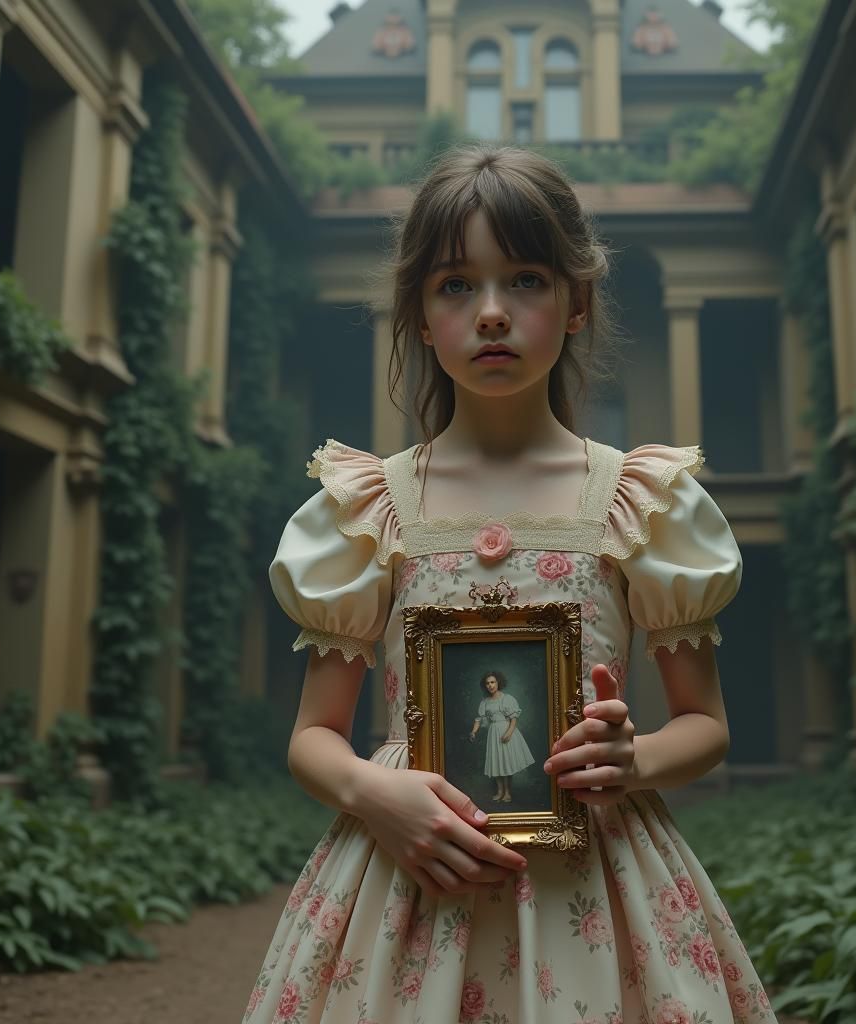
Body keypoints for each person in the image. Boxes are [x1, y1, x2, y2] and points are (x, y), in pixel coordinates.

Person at [243, 146, 778, 1024]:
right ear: (418, 315)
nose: (491, 312)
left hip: (595, 887)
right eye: (456, 285)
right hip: (407, 876)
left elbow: (706, 727)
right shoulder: (370, 507)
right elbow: (313, 737)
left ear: (577, 305)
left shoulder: (637, 502)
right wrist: (372, 791)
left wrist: (632, 760)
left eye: (525, 279)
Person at [469, 670, 536, 802]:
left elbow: (513, 720)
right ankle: (499, 792)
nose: (490, 685)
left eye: (492, 682)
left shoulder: (507, 699)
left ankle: (507, 793)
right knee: (497, 762)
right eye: (487, 683)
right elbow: (479, 719)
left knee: (506, 762)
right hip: (493, 733)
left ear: (498, 682)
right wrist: (473, 732)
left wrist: (509, 733)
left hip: (506, 730)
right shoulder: (485, 702)